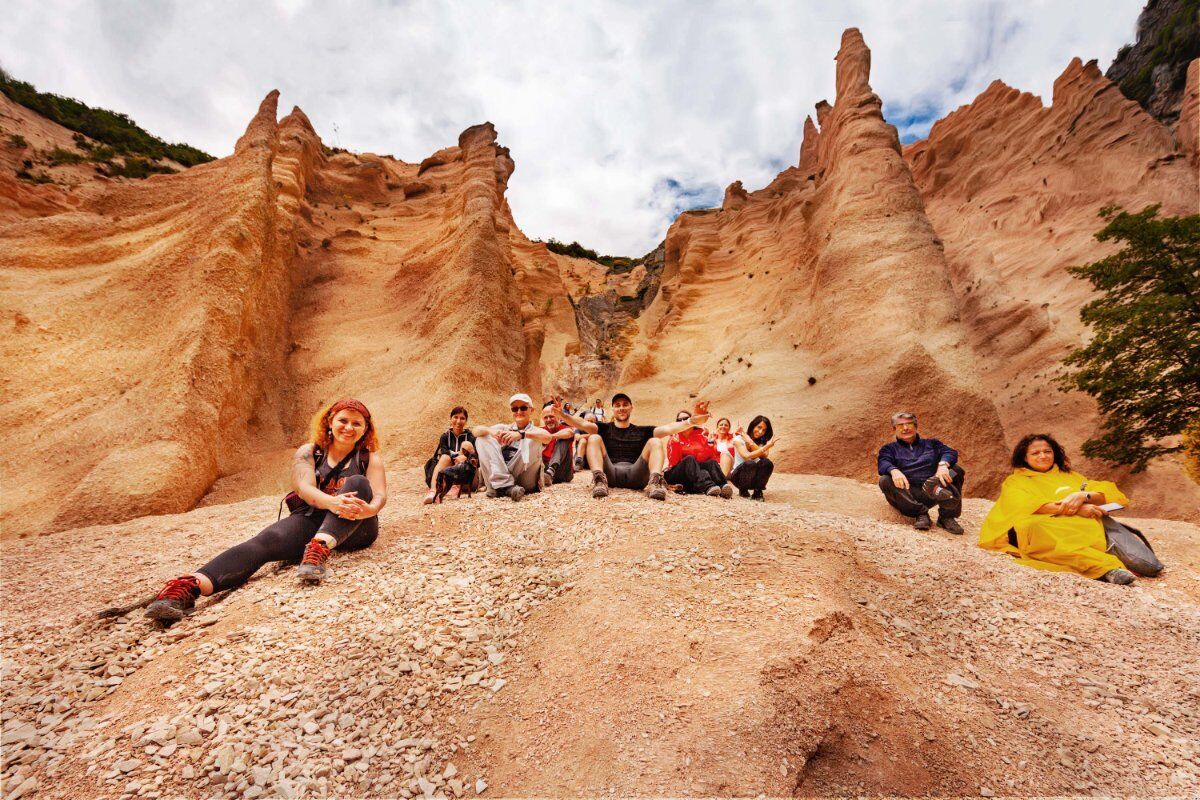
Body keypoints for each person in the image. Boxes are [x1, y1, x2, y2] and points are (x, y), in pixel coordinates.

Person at [145, 398, 388, 622]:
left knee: (358, 483)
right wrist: (331, 502)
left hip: (358, 527)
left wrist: (370, 510)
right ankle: (190, 587)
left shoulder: (369, 458)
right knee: (266, 540)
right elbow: (303, 487)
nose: (349, 427)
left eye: (357, 423)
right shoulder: (309, 452)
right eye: (343, 420)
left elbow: (378, 495)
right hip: (313, 519)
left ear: (365, 429)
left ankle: (319, 548)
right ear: (330, 422)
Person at [979, 434, 1138, 585]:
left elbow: (1111, 494)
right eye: (1035, 453)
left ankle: (1097, 558)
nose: (1043, 456)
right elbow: (1028, 505)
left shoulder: (1069, 476)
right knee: (1035, 528)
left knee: (1081, 529)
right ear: (1025, 458)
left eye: (1047, 451)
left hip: (1075, 526)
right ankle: (1106, 569)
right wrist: (1077, 510)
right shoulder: (1015, 481)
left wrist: (1085, 496)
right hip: (1037, 527)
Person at [553, 394, 709, 500]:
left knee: (655, 441)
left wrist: (692, 422)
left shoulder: (643, 431)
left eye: (625, 404)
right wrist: (564, 416)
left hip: (637, 475)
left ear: (631, 408)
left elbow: (668, 429)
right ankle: (599, 481)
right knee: (593, 438)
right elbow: (582, 423)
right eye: (618, 405)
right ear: (613, 409)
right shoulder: (603, 428)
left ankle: (654, 483)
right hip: (610, 474)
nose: (621, 408)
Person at [876, 411, 966, 534]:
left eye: (909, 424)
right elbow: (883, 463)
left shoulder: (932, 444)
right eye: (900, 425)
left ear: (916, 426)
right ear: (894, 429)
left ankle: (947, 517)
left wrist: (943, 464)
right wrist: (894, 470)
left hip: (933, 490)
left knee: (956, 470)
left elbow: (950, 452)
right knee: (885, 480)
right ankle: (921, 514)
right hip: (907, 494)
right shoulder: (889, 449)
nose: (906, 428)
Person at [472, 393, 554, 501]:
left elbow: (548, 437)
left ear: (531, 410)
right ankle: (505, 487)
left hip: (524, 479)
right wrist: (490, 431)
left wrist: (522, 435)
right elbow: (475, 430)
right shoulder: (504, 428)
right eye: (515, 409)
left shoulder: (535, 430)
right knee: (482, 438)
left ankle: (501, 486)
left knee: (532, 439)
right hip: (504, 474)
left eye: (523, 408)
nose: (519, 412)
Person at [665, 409, 733, 497]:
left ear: (692, 421)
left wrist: (710, 444)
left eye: (685, 419)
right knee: (690, 459)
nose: (682, 421)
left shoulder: (700, 436)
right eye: (679, 420)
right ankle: (708, 486)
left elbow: (705, 458)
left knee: (711, 463)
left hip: (693, 473)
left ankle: (723, 486)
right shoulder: (674, 437)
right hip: (677, 473)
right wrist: (675, 444)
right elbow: (673, 462)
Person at [423, 406, 476, 504]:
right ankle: (433, 491)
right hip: (448, 473)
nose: (458, 421)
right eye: (455, 417)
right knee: (444, 457)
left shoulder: (470, 436)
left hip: (465, 476)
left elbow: (474, 457)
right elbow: (445, 453)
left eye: (462, 418)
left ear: (466, 421)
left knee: (466, 445)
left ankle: (456, 486)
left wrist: (463, 457)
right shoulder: (445, 436)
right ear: (450, 419)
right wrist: (457, 457)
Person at [730, 415, 776, 500]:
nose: (760, 431)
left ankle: (758, 491)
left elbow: (764, 455)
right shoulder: (738, 439)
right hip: (739, 476)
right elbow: (746, 456)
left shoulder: (763, 442)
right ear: (753, 425)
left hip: (754, 477)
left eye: (764, 430)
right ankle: (743, 490)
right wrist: (764, 447)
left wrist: (750, 442)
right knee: (750, 463)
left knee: (767, 463)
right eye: (759, 427)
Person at [540, 401, 577, 485]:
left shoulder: (565, 428)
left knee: (563, 437)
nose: (548, 420)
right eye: (546, 418)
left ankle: (551, 471)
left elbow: (570, 433)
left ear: (558, 417)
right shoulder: (541, 430)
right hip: (545, 469)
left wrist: (550, 437)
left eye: (551, 416)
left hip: (563, 471)